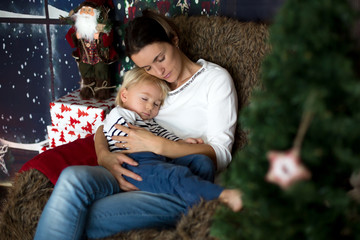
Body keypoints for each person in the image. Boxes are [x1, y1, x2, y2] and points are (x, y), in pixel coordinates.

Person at [34, 9, 238, 240]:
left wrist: (158, 145)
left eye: (160, 58)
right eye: (148, 67)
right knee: (72, 179)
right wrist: (104, 156)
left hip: (177, 182)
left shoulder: (215, 80)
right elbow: (110, 123)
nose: (159, 71)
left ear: (174, 40)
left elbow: (221, 154)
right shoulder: (150, 84)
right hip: (130, 166)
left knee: (75, 217)